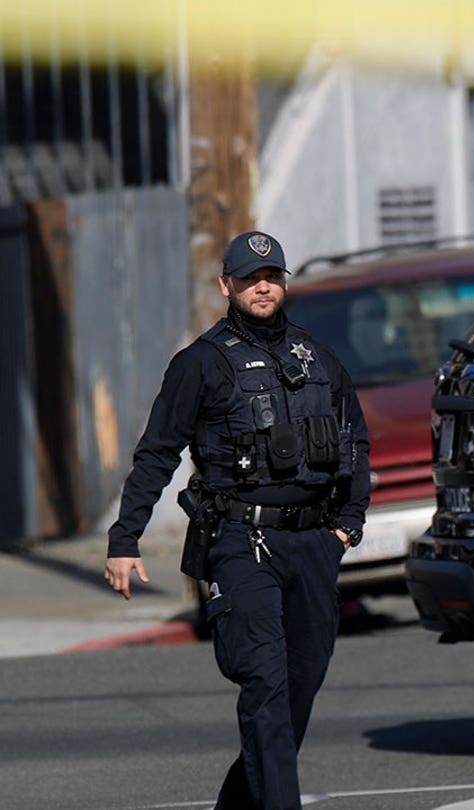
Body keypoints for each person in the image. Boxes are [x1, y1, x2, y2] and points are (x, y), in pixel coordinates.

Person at [103, 230, 370, 810]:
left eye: (271, 276)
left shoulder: (318, 357)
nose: (262, 287)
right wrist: (125, 539)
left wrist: (347, 525)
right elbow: (156, 453)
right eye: (249, 278)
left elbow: (355, 439)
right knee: (266, 690)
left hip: (313, 544)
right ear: (227, 285)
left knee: (298, 691)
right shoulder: (200, 364)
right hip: (240, 543)